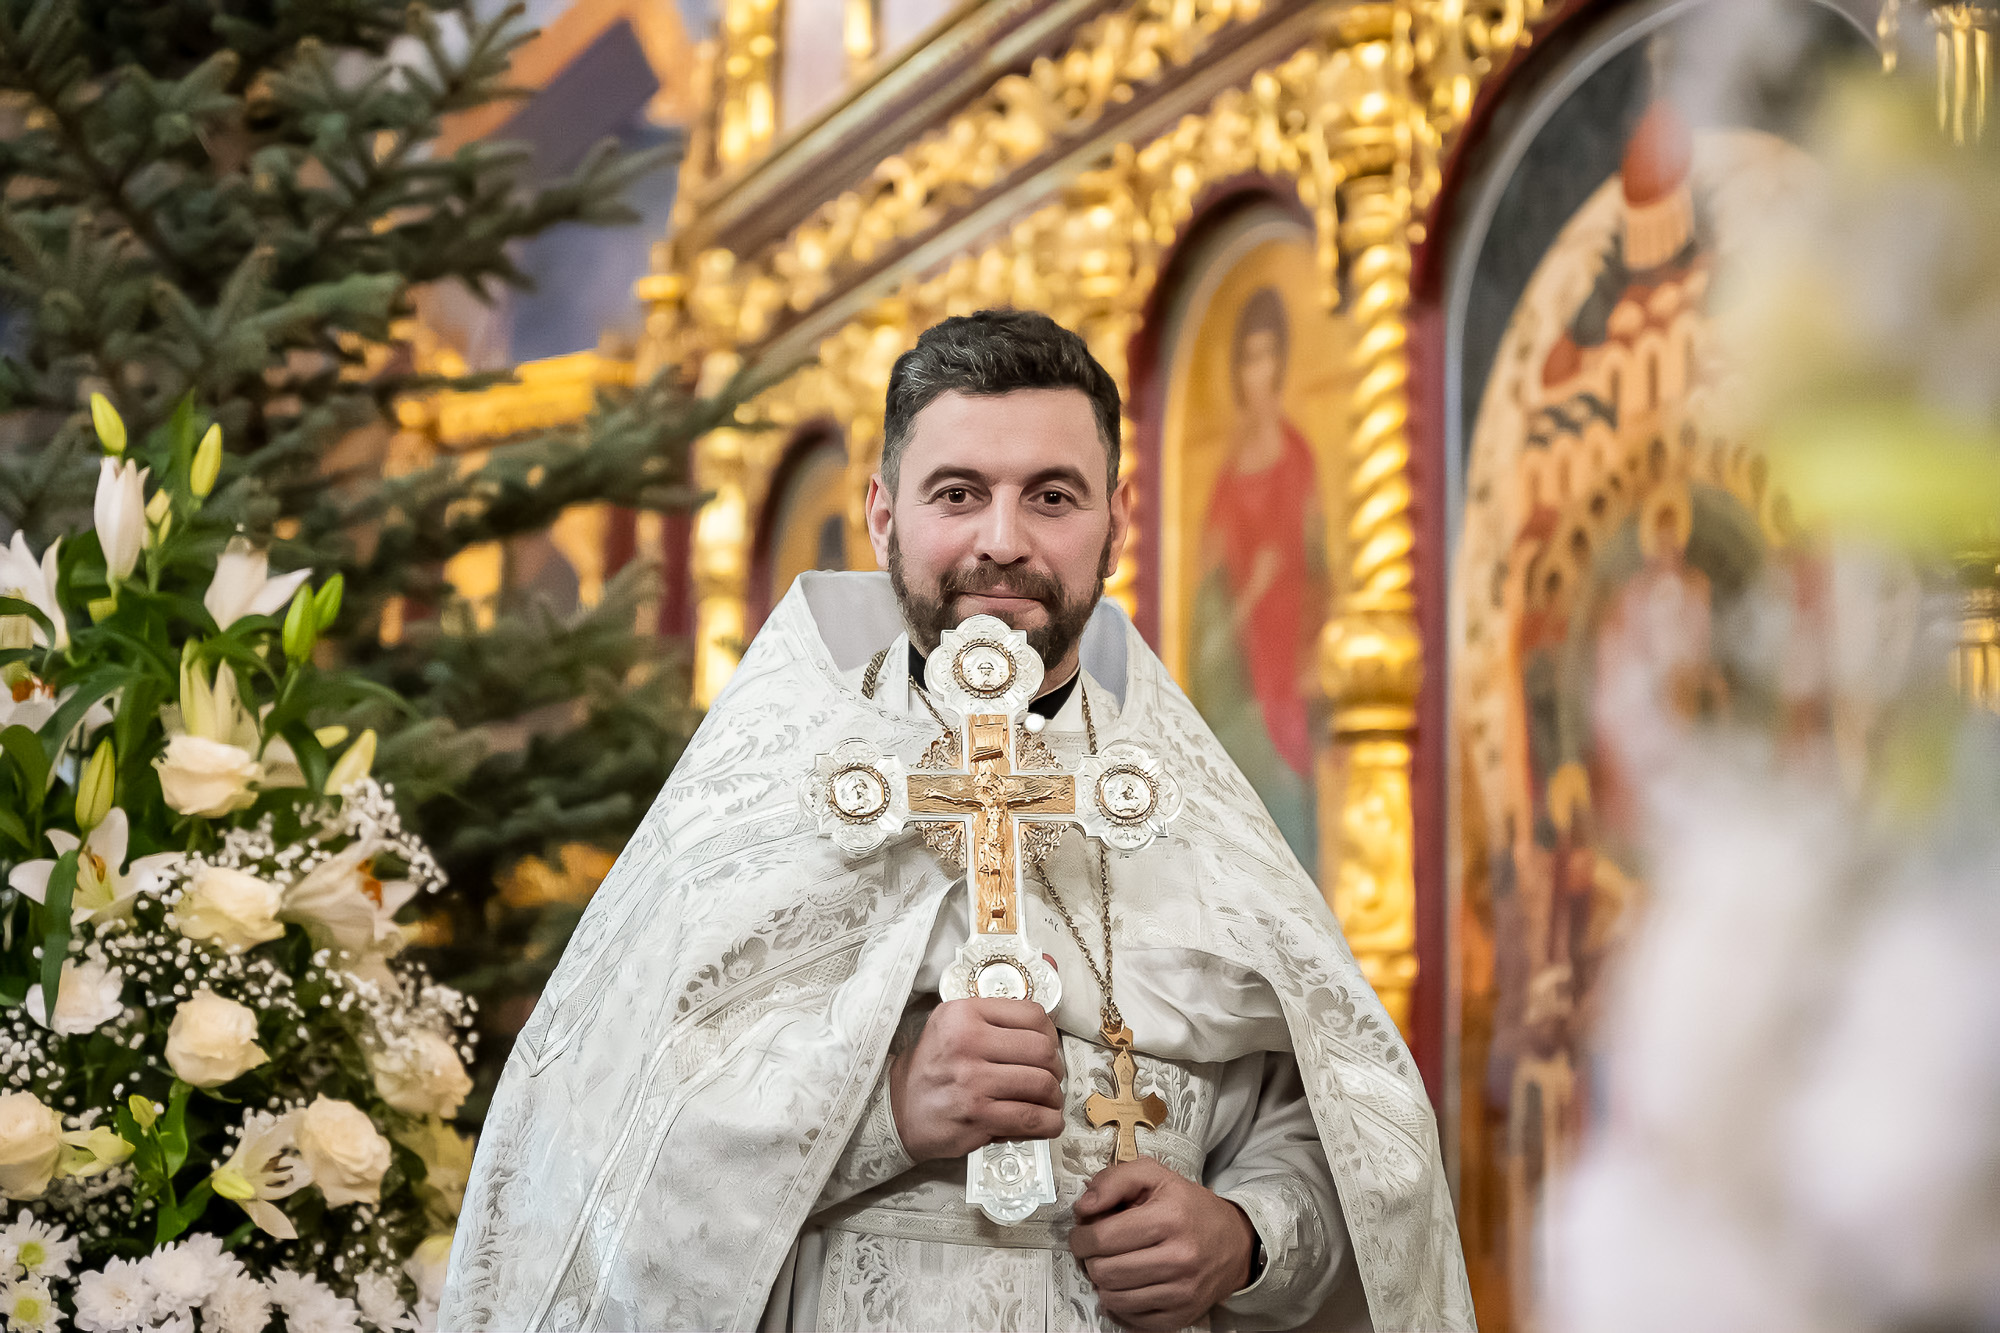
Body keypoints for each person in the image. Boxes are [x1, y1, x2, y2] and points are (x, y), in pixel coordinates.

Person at [440, 311, 1471, 1333]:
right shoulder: (761, 796)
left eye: (1051, 496)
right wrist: (885, 1112)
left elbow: (1333, 1128)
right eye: (958, 493)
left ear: (1116, 520)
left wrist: (1244, 1233)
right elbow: (596, 1159)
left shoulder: (1180, 805)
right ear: (883, 516)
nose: (1001, 541)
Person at [1188, 287, 1327, 871]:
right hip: (1238, 688)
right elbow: (1206, 605)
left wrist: (1315, 649)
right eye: (1247, 359)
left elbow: (1322, 571)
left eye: (1267, 356)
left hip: (1290, 670)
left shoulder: (1298, 459)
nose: (1257, 373)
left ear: (1282, 365)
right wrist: (1249, 593)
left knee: (1292, 814)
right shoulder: (1225, 476)